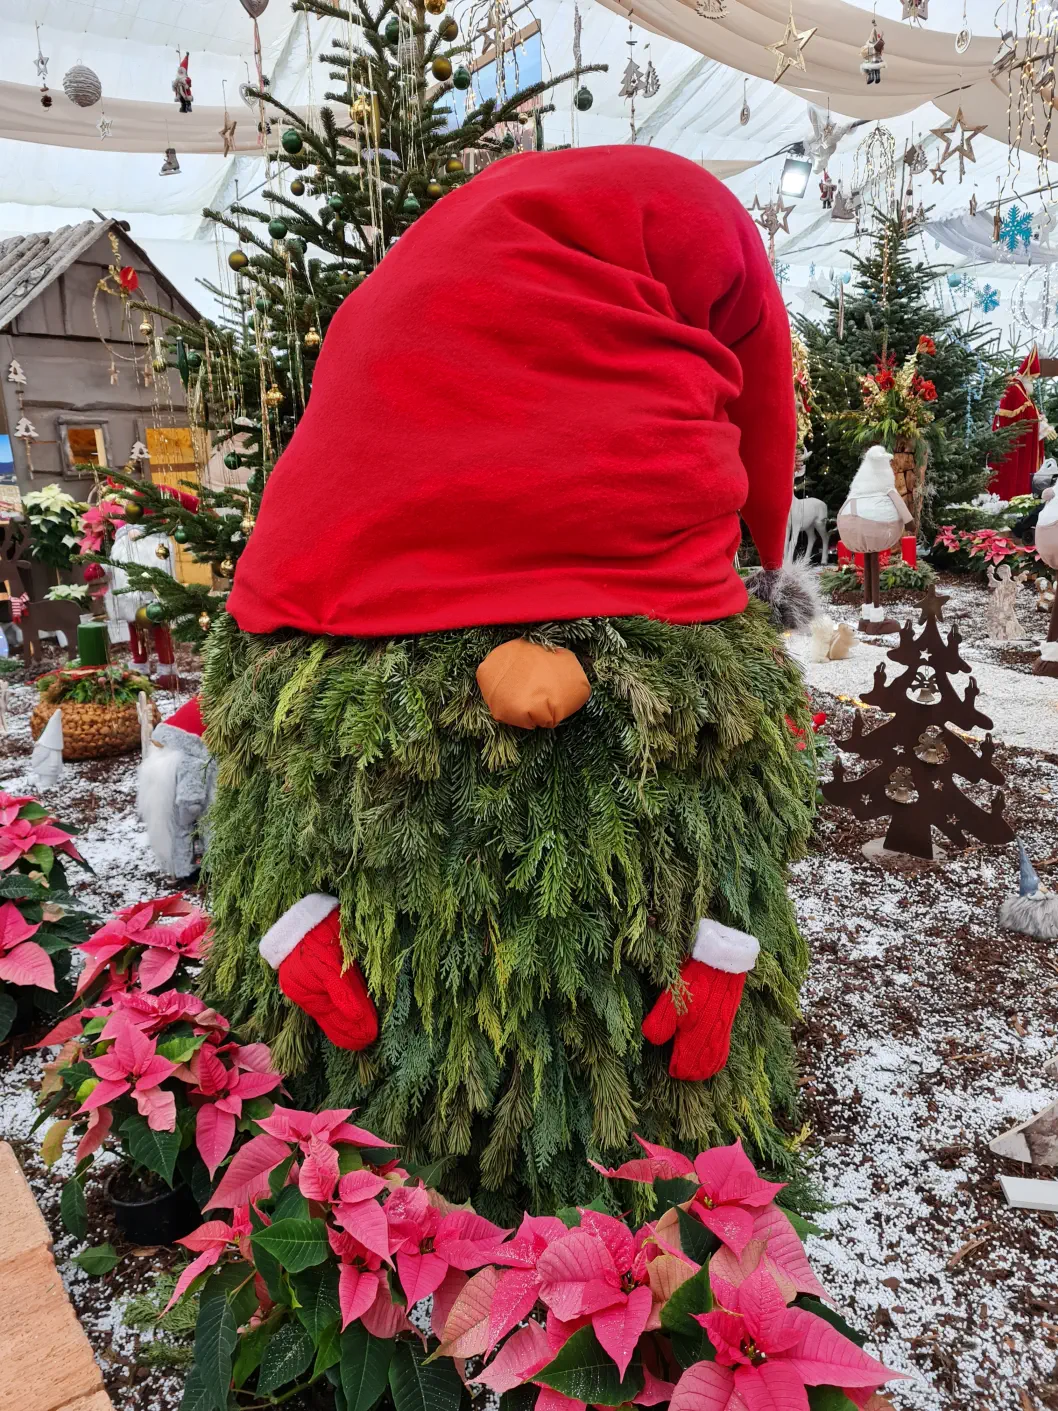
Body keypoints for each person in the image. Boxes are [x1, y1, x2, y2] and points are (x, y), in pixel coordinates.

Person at [203, 145, 818, 1210]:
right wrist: (763, 540)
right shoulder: (700, 217)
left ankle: (339, 1067)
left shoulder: (425, 259)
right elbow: (760, 392)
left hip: (351, 564)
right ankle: (663, 1147)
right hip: (631, 549)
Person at [989, 345, 1055, 500]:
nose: (1033, 380)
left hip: (1022, 445)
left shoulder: (1022, 390)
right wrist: (1042, 427)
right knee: (1010, 477)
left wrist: (1042, 424)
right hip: (1012, 448)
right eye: (1032, 377)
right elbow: (1017, 419)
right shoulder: (1014, 388)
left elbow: (1031, 415)